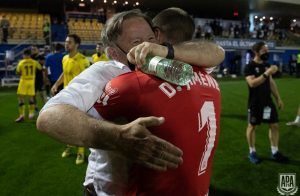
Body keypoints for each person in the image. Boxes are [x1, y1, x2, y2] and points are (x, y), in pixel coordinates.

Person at [37, 9, 224, 195]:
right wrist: (117, 137)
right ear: (114, 53)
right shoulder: (106, 72)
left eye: (151, 39)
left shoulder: (170, 63)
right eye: (136, 42)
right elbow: (48, 116)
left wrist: (168, 50)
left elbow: (217, 52)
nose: (147, 47)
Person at [94, 7, 221, 195]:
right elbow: (216, 52)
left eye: (149, 36)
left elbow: (84, 118)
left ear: (158, 34)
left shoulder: (133, 83)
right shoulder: (211, 80)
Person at [244, 41, 288, 164]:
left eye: (267, 50)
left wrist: (278, 98)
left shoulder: (266, 64)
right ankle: (252, 152)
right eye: (264, 50)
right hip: (255, 103)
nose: (266, 52)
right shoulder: (249, 67)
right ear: (256, 52)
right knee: (252, 127)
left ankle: (275, 151)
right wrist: (267, 73)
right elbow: (252, 84)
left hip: (267, 102)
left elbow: (271, 83)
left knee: (274, 125)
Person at [51, 34, 90, 165]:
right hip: (67, 96)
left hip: (79, 97)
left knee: (79, 124)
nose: (66, 44)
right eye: (66, 42)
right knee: (67, 123)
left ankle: (81, 152)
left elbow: (87, 80)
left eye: (69, 42)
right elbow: (64, 73)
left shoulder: (83, 60)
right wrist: (56, 84)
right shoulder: (64, 58)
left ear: (77, 45)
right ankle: (69, 146)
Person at [15, 49, 42, 122]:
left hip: (23, 81)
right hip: (31, 81)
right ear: (30, 55)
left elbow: (18, 72)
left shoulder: (21, 62)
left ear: (24, 55)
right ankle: (31, 114)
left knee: (21, 98)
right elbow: (40, 68)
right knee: (31, 98)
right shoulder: (34, 62)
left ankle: (22, 115)